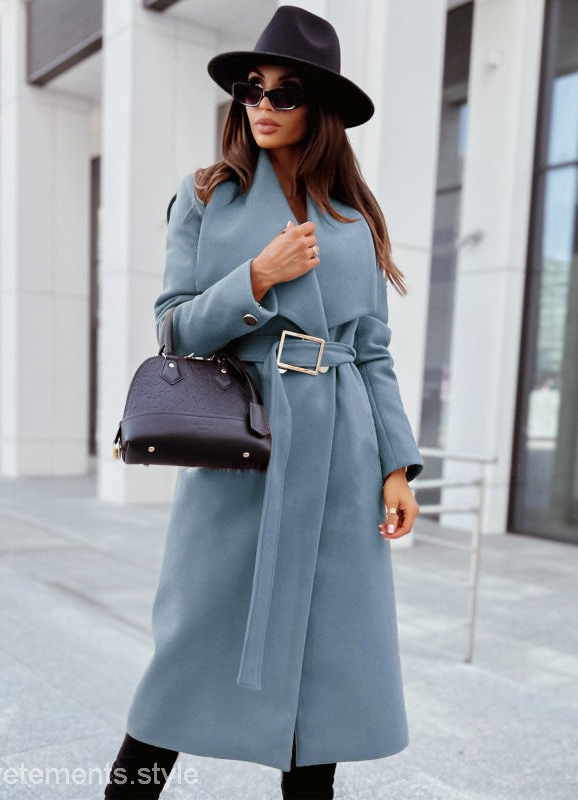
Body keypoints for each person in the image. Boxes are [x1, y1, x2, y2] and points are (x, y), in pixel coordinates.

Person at [104, 6, 423, 799]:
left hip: (341, 457)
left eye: (285, 93)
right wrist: (256, 279)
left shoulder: (353, 214)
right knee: (189, 644)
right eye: (253, 89)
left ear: (318, 108)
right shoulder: (208, 194)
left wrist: (396, 467)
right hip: (244, 451)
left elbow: (375, 350)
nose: (264, 106)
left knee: (325, 666)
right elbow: (175, 329)